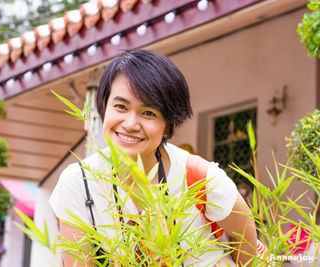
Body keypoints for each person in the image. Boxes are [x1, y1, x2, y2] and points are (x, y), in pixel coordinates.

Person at [49, 50, 257, 266]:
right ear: (104, 108)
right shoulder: (79, 183)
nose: (130, 124)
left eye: (148, 113)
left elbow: (245, 235)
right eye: (120, 106)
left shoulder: (199, 177)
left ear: (169, 125)